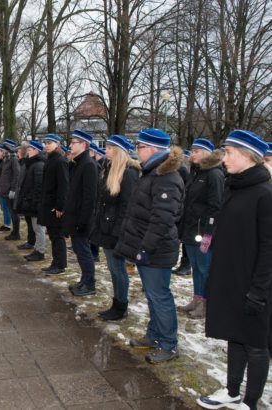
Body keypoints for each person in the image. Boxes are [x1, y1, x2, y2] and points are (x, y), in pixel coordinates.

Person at [197, 130, 272, 410]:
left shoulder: (265, 194)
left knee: (255, 343)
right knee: (234, 336)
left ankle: (250, 402)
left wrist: (258, 291)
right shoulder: (234, 186)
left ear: (247, 156)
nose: (224, 158)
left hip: (253, 284)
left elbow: (269, 248)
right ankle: (231, 390)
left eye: (228, 152)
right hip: (229, 278)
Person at [115, 128, 184, 364]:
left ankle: (169, 344)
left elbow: (162, 220)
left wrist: (145, 249)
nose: (137, 151)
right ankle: (154, 335)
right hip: (147, 247)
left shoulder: (167, 178)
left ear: (154, 149)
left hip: (156, 250)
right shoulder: (153, 173)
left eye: (140, 147)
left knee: (160, 296)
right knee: (154, 297)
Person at [91, 135, 140, 319]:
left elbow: (127, 206)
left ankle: (121, 306)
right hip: (106, 227)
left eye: (110, 147)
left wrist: (118, 231)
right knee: (112, 268)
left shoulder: (128, 173)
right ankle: (116, 303)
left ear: (119, 151)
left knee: (118, 270)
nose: (106, 150)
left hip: (115, 230)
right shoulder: (109, 168)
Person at [177, 138, 224, 319]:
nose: (193, 154)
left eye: (197, 151)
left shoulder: (214, 174)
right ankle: (196, 299)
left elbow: (216, 206)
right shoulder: (195, 172)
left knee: (204, 268)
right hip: (190, 229)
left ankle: (204, 304)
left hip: (202, 232)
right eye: (193, 150)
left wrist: (208, 233)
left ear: (206, 153)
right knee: (196, 267)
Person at [62, 130, 99, 296]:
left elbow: (89, 198)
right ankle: (84, 280)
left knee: (84, 252)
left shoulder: (88, 165)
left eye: (73, 142)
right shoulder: (77, 163)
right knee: (79, 250)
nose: (70, 145)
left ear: (83, 144)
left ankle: (90, 284)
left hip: (81, 220)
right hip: (75, 217)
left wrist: (82, 222)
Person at [38, 134, 69, 275]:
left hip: (55, 207)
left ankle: (60, 264)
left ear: (57, 144)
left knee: (57, 236)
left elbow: (64, 185)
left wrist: (60, 206)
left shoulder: (60, 161)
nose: (46, 145)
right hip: (49, 204)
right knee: (53, 235)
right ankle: (55, 262)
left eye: (49, 143)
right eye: (45, 143)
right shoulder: (51, 160)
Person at [16, 140, 47, 261]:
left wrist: (35, 202)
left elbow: (38, 186)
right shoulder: (32, 164)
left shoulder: (38, 165)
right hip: (31, 201)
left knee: (39, 229)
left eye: (29, 150)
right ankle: (37, 249)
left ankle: (40, 251)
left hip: (36, 203)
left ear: (36, 151)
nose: (27, 152)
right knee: (35, 228)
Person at [0, 139, 21, 236]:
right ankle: (13, 232)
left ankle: (16, 233)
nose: (2, 151)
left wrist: (13, 190)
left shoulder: (13, 159)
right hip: (5, 190)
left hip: (10, 191)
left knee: (13, 213)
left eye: (3, 150)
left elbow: (17, 175)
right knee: (10, 211)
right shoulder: (6, 160)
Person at [0, 145, 11, 229]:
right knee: (3, 207)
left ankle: (7, 224)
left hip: (4, 187)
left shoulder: (5, 162)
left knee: (5, 207)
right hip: (0, 187)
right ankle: (5, 224)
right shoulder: (1, 161)